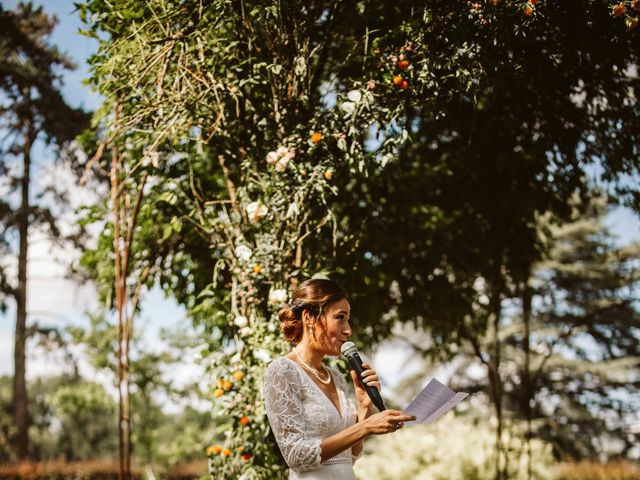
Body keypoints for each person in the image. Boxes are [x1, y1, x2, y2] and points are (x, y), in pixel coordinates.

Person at [262, 278, 415, 479]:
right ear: (309, 318)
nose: (348, 330)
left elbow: (349, 456)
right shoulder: (282, 371)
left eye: (348, 319)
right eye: (340, 318)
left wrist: (364, 407)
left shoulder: (335, 376)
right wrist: (365, 427)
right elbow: (295, 456)